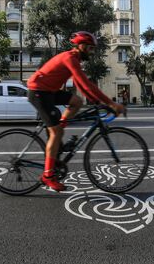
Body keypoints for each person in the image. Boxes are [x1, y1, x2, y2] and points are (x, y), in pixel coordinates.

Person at [27, 31, 125, 191]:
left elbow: (80, 85)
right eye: (91, 49)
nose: (92, 52)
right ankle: (48, 176)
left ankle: (60, 130)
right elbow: (85, 84)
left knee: (77, 101)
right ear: (82, 46)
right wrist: (110, 103)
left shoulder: (75, 59)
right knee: (55, 133)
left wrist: (94, 101)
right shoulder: (70, 58)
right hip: (38, 91)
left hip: (49, 91)